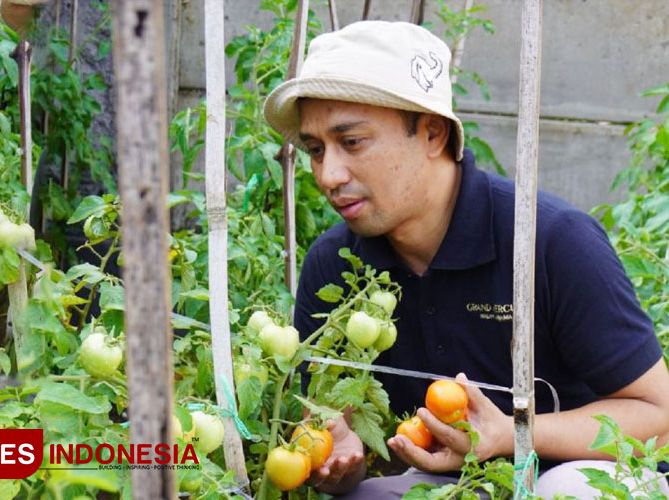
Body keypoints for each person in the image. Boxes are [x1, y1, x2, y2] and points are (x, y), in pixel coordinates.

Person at [263, 20, 669, 498]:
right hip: (446, 485)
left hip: (573, 468)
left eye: (351, 142)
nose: (328, 174)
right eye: (315, 149)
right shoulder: (336, 265)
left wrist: (512, 435)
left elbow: (659, 417)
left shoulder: (551, 241)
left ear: (433, 134)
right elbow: (339, 436)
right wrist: (344, 456)